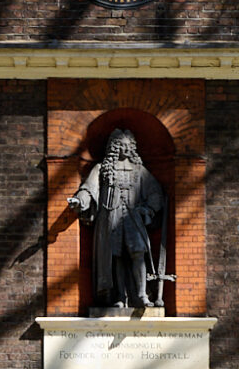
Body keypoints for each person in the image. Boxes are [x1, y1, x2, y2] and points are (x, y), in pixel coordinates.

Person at [68, 128, 167, 309]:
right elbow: (89, 189)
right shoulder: (101, 169)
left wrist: (149, 210)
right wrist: (80, 200)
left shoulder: (140, 170)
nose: (127, 148)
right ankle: (119, 297)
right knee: (116, 257)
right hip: (110, 219)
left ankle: (142, 295)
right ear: (114, 147)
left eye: (130, 145)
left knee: (138, 252)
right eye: (122, 145)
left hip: (133, 217)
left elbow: (155, 193)